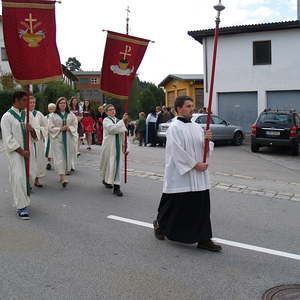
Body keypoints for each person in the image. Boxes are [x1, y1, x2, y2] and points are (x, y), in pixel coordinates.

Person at [153, 96, 222, 252]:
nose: (192, 108)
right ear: (178, 108)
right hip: (181, 175)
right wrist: (194, 164)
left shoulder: (197, 127)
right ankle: (160, 224)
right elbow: (176, 151)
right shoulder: (174, 128)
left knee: (202, 207)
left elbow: (203, 147)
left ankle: (204, 239)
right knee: (174, 206)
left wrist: (207, 141)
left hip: (199, 175)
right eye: (188, 106)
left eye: (192, 106)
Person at [0, 91, 38, 220]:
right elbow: (8, 138)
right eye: (23, 100)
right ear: (16, 100)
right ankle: (21, 206)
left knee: (30, 175)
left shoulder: (27, 115)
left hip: (29, 151)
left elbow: (35, 134)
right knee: (19, 177)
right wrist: (22, 152)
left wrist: (31, 129)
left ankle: (25, 200)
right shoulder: (7, 117)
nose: (26, 103)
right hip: (16, 153)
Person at [48, 97, 78, 187]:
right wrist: (60, 129)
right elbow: (50, 127)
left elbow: (75, 124)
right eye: (61, 103)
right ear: (58, 104)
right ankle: (62, 177)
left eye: (64, 103)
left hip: (68, 138)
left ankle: (63, 175)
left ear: (66, 104)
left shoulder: (71, 114)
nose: (63, 104)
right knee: (59, 158)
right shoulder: (53, 115)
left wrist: (69, 128)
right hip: (57, 139)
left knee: (67, 157)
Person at [99, 104, 128, 197]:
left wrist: (125, 146)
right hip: (109, 146)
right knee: (108, 164)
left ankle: (117, 187)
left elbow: (123, 134)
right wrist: (123, 121)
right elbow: (112, 129)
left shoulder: (119, 121)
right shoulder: (106, 120)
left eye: (113, 109)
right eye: (110, 110)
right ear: (106, 112)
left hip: (117, 146)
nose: (112, 111)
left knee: (116, 165)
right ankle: (106, 179)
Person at [29, 96, 48, 188]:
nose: (32, 104)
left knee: (38, 159)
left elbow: (45, 126)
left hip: (38, 140)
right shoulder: (23, 113)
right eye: (30, 102)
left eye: (33, 102)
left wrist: (38, 130)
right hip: (28, 141)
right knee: (30, 160)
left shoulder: (39, 114)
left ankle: (37, 179)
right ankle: (29, 181)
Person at [45, 103, 56, 170]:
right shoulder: (46, 117)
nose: (52, 110)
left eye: (53, 108)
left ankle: (58, 163)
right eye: (50, 109)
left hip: (56, 134)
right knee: (48, 149)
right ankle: (48, 162)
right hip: (49, 135)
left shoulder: (57, 116)